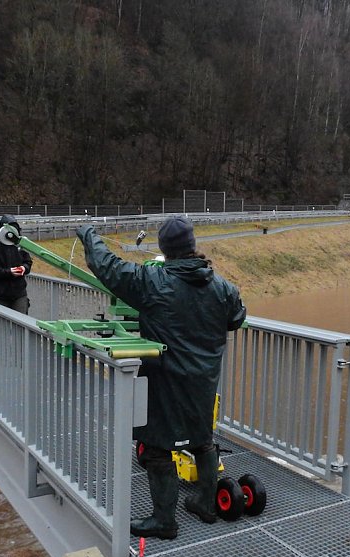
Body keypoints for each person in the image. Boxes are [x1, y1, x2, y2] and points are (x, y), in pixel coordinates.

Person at [76, 216, 246, 540]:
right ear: (192, 246)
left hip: (164, 380)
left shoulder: (152, 281)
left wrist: (88, 234)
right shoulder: (222, 287)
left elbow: (108, 267)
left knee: (156, 448)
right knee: (202, 441)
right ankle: (206, 504)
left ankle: (164, 521)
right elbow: (237, 318)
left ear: (165, 250)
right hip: (203, 381)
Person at [0, 214, 33, 313]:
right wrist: (8, 272)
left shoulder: (20, 243)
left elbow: (28, 262)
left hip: (19, 293)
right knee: (1, 322)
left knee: (20, 321)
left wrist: (24, 268)